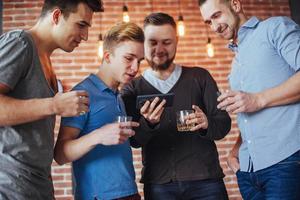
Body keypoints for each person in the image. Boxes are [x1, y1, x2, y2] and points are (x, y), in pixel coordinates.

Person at [121, 12, 231, 200]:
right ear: (143, 43)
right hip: (159, 186)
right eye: (153, 42)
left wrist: (206, 123)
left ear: (176, 41)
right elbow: (134, 141)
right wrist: (149, 124)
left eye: (167, 42)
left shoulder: (200, 77)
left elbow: (223, 124)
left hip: (206, 181)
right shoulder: (131, 88)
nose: (160, 49)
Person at [0, 0, 103, 199]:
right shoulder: (20, 43)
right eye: (81, 25)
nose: (86, 36)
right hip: (10, 186)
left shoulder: (47, 62)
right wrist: (54, 105)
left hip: (38, 186)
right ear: (56, 16)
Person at [199, 0, 300, 199]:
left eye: (217, 15)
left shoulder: (275, 27)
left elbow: (255, 102)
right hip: (248, 170)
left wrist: (258, 99)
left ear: (235, 5)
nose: (214, 27)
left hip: (286, 162)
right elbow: (249, 114)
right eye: (208, 22)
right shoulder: (235, 64)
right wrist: (236, 148)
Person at [54, 22, 144, 200]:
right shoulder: (82, 94)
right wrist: (99, 135)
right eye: (129, 58)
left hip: (130, 193)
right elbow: (60, 154)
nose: (136, 68)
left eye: (140, 61)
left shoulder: (118, 95)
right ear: (108, 57)